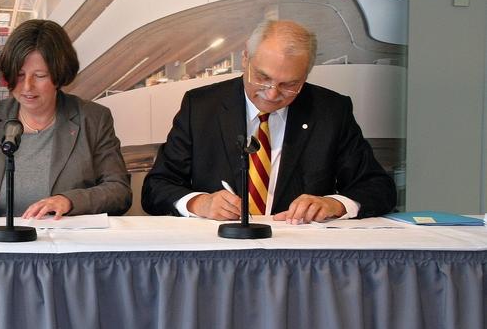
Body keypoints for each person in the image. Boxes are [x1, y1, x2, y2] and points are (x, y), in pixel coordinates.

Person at [142, 20, 395, 223]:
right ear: (245, 59)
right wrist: (198, 203)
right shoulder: (201, 107)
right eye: (263, 77)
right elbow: (156, 187)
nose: (272, 93)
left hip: (299, 256)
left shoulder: (330, 111)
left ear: (306, 74)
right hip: (217, 253)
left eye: (290, 84)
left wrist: (335, 204)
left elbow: (378, 187)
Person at [0, 19, 131, 219]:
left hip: (65, 245)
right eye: (19, 75)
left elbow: (119, 191)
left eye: (40, 76)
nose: (27, 87)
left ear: (60, 75)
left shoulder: (93, 118)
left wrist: (70, 201)